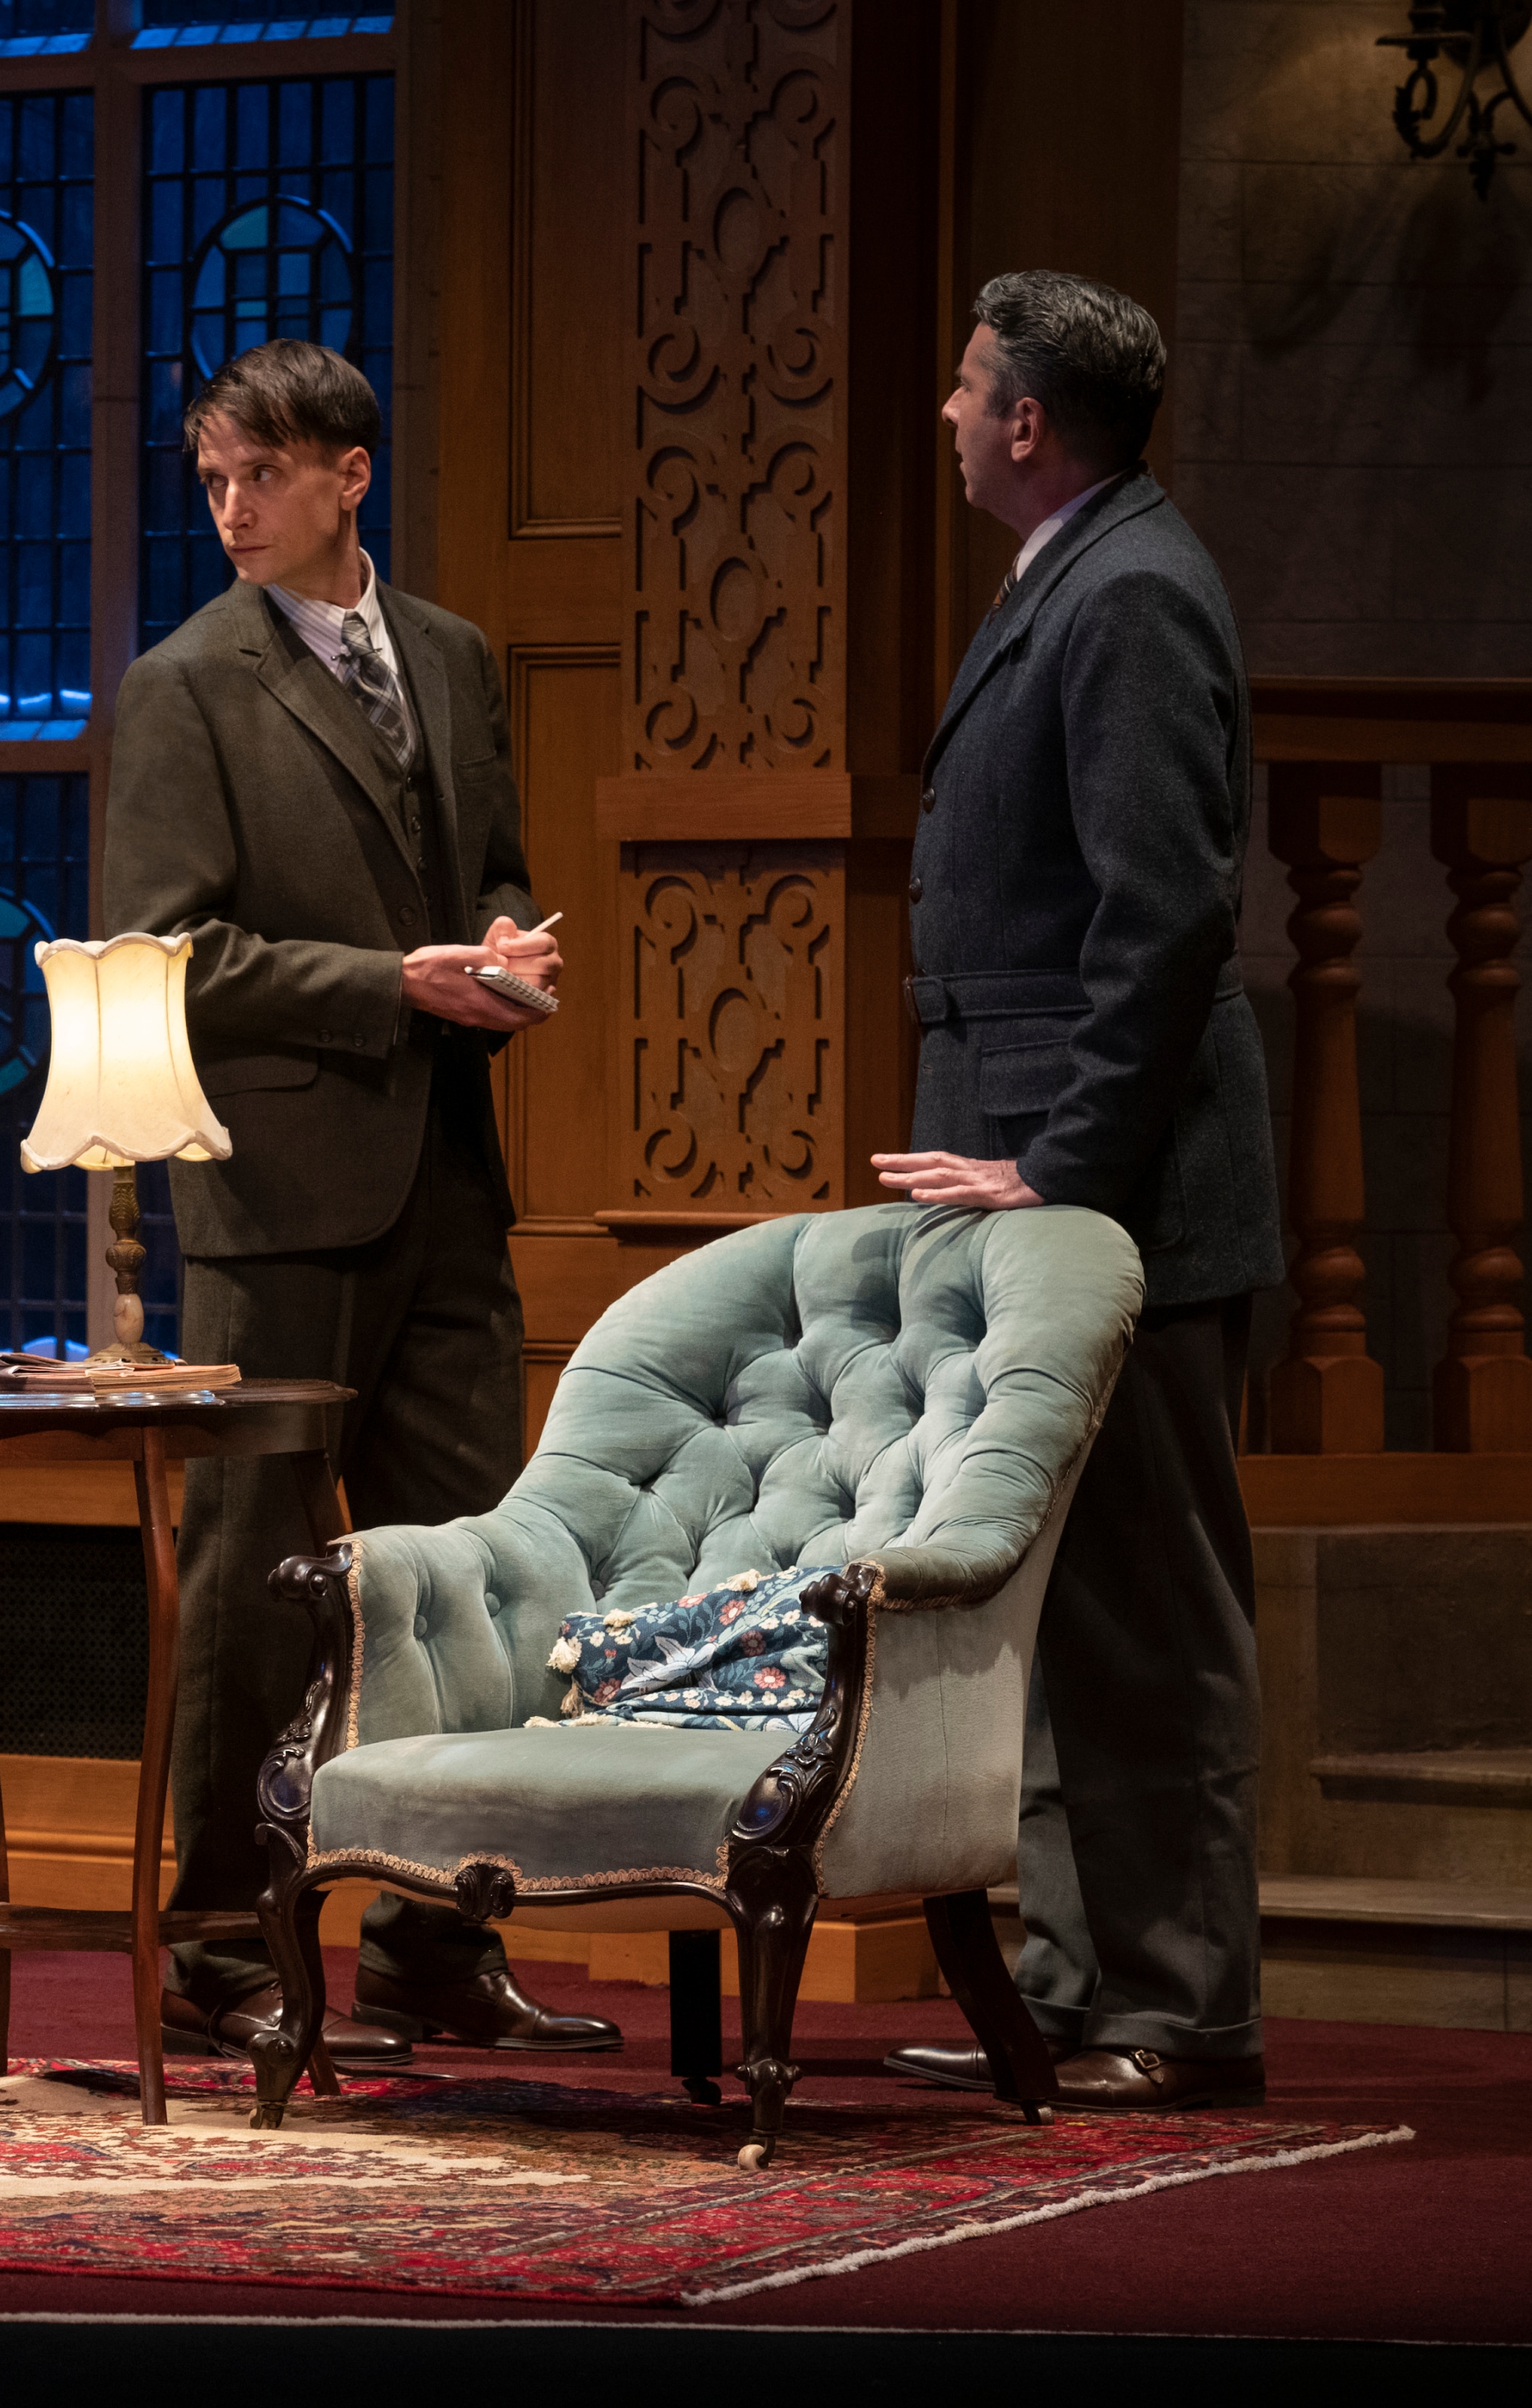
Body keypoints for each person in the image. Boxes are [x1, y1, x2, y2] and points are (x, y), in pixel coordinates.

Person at [103, 339, 619, 2069]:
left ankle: (433, 1936)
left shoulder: (453, 655)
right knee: (258, 1585)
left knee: (468, 1572)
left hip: (448, 1178)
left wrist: (508, 940)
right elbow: (166, 954)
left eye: (259, 474)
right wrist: (389, 984)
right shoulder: (187, 684)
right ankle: (213, 1945)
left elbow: (489, 862)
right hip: (276, 1197)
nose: (230, 508)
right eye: (211, 479)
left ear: (350, 475)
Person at [878, 272, 1281, 2111]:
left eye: (968, 388)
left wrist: (1058, 1169)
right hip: (1039, 1179)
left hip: (1116, 1190)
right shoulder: (1073, 571)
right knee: (1054, 1603)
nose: (950, 413)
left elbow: (1166, 919)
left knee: (1146, 1607)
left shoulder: (1126, 592)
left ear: (1028, 420)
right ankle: (1065, 1974)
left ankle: (1177, 2006)